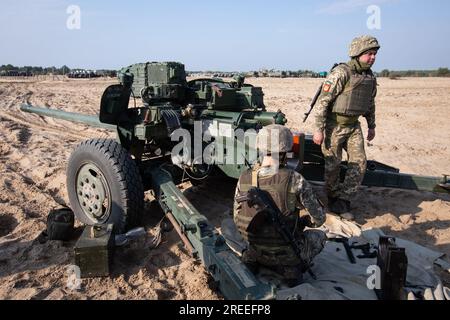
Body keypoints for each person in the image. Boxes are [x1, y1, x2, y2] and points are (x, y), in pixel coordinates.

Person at [233, 124, 327, 286]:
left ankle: (253, 261)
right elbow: (319, 219)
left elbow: (237, 217)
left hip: (256, 249)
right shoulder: (295, 179)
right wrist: (303, 222)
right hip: (287, 254)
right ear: (285, 152)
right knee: (319, 236)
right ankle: (290, 271)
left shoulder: (244, 178)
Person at [312, 35, 380, 219]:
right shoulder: (341, 73)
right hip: (334, 126)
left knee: (359, 163)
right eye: (369, 54)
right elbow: (322, 102)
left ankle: (345, 199)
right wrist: (319, 129)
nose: (372, 57)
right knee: (332, 165)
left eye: (374, 54)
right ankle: (332, 197)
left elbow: (370, 102)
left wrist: (371, 126)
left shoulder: (369, 76)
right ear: (358, 54)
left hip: (353, 126)